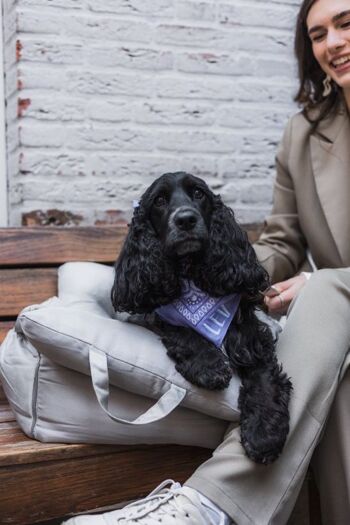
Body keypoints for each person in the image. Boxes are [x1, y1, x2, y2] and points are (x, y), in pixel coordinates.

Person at [64, 0, 350, 523]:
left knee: (330, 292)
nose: (331, 43)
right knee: (342, 387)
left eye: (345, 24)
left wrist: (327, 282)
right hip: (340, 333)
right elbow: (283, 242)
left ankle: (207, 507)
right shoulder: (303, 134)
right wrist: (217, 273)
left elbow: (322, 280)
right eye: (317, 34)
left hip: (336, 302)